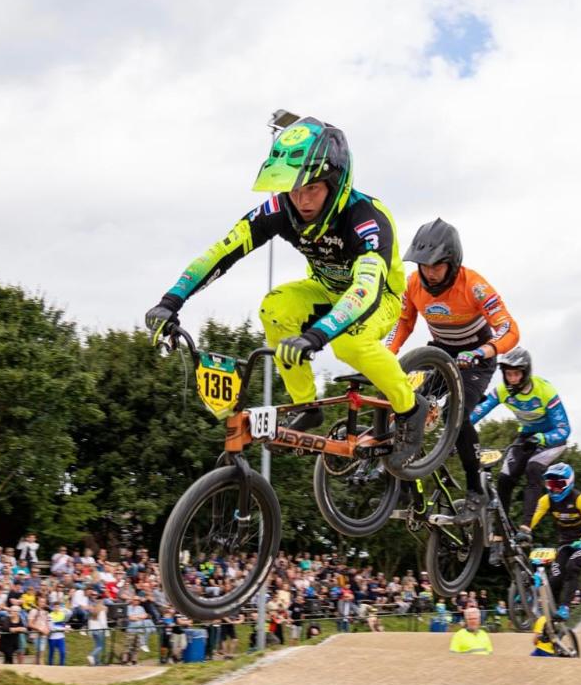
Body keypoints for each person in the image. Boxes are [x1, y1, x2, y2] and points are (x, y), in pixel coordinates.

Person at [144, 116, 427, 459]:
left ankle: (410, 409)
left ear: (335, 185)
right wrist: (171, 301)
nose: (302, 201)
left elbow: (365, 289)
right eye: (295, 189)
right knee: (274, 307)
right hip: (324, 289)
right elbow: (222, 251)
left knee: (350, 343)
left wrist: (316, 336)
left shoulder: (366, 218)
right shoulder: (280, 209)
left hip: (377, 297)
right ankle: (307, 405)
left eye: (312, 189)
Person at [388, 218, 521, 521]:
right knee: (408, 406)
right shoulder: (412, 283)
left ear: (453, 262)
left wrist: (484, 351)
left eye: (437, 266)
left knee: (455, 418)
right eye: (424, 265)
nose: (430, 273)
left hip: (476, 359)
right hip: (441, 354)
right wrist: (387, 354)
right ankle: (402, 487)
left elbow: (509, 328)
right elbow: (404, 322)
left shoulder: (473, 284)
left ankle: (476, 491)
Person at [470, 348, 571, 529]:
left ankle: (526, 527)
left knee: (533, 468)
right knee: (504, 478)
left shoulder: (545, 391)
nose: (512, 379)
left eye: (516, 374)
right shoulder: (502, 391)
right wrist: (459, 432)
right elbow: (478, 413)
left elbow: (564, 430)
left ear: (526, 373)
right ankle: (502, 532)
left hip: (552, 439)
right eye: (508, 374)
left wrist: (542, 438)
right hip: (526, 436)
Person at [514, 463, 581, 621]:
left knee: (572, 567)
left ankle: (565, 607)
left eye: (559, 484)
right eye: (551, 484)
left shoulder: (580, 498)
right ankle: (548, 612)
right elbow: (533, 517)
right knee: (555, 577)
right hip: (564, 542)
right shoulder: (546, 500)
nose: (554, 489)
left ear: (569, 483)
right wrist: (523, 531)